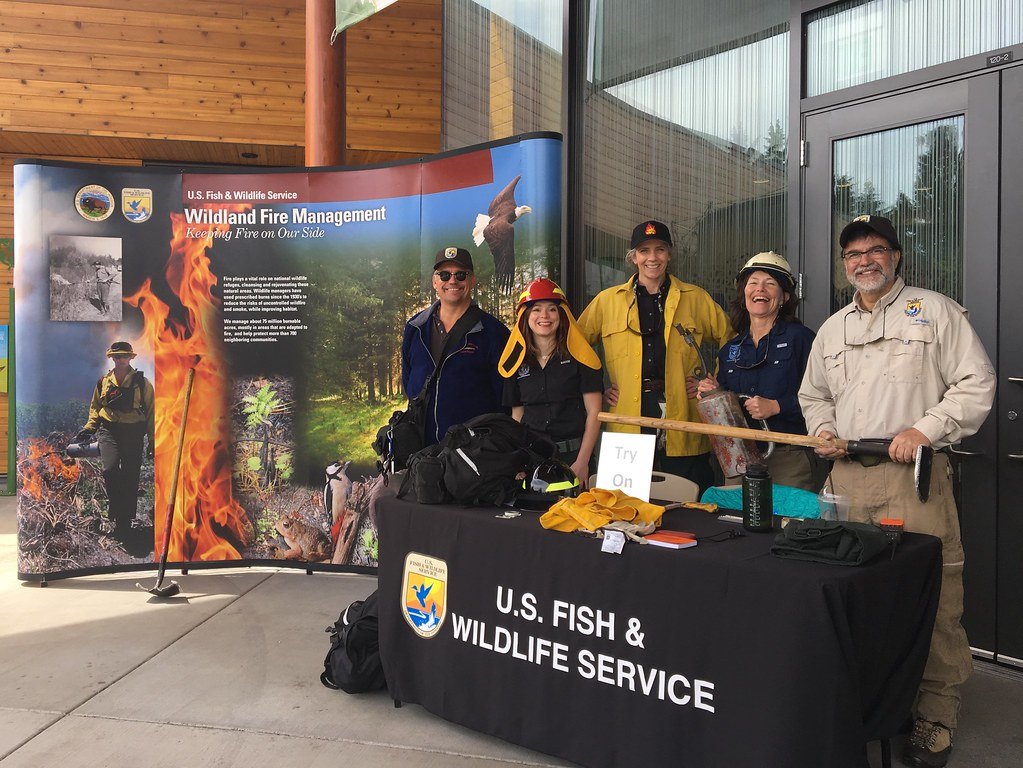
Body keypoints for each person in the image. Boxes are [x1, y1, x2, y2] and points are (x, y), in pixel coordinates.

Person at [798, 214, 996, 768]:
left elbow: (977, 383)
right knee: (849, 598)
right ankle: (867, 707)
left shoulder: (936, 312)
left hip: (914, 480)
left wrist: (924, 429)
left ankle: (934, 718)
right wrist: (823, 432)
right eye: (854, 254)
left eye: (876, 250)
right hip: (845, 481)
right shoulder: (833, 329)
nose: (865, 260)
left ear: (897, 257)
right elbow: (813, 395)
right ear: (844, 265)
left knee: (933, 600)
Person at [576, 220, 732, 492]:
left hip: (683, 412)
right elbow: (575, 347)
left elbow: (730, 341)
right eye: (644, 250)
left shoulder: (695, 298)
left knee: (689, 498)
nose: (652, 257)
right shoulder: (606, 301)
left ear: (669, 255)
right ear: (633, 257)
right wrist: (596, 393)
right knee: (624, 501)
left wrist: (711, 385)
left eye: (660, 250)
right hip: (626, 414)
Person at [696, 252, 824, 490]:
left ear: (784, 296)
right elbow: (727, 412)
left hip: (790, 458)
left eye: (770, 283)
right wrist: (714, 394)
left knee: (789, 524)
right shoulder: (729, 350)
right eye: (753, 283)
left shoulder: (801, 339)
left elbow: (824, 397)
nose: (759, 289)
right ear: (744, 293)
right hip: (740, 458)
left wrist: (777, 406)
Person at [498, 278, 603, 487]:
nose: (544, 316)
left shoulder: (581, 358)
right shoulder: (515, 363)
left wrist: (582, 462)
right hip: (532, 461)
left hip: (573, 458)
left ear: (561, 315)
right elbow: (517, 417)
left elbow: (595, 413)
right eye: (536, 309)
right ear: (525, 316)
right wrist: (516, 459)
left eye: (552, 309)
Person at [402, 247, 510, 445]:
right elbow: (409, 382)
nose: (452, 281)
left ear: (472, 280)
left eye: (461, 275)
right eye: (444, 275)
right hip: (422, 455)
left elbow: (505, 400)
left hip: (472, 456)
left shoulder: (494, 332)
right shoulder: (414, 329)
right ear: (435, 282)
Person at [73, 341, 156, 557]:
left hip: (133, 432)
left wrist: (152, 441)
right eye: (117, 356)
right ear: (112, 358)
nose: (120, 360)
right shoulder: (103, 382)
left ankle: (124, 523)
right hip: (108, 431)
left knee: (130, 477)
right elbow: (96, 408)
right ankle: (116, 512)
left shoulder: (142, 383)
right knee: (110, 471)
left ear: (131, 358)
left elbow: (151, 415)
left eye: (124, 356)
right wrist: (88, 429)